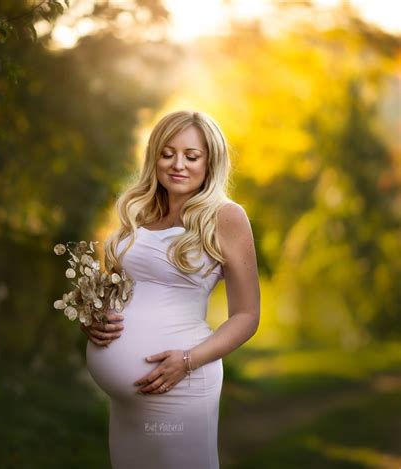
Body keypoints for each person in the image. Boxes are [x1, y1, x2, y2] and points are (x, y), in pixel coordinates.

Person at [81, 110, 260, 468]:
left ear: (210, 161)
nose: (178, 164)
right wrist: (93, 318)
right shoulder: (140, 212)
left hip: (181, 385)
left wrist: (188, 361)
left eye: (192, 156)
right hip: (127, 404)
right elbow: (121, 292)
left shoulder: (226, 217)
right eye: (167, 153)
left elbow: (247, 316)